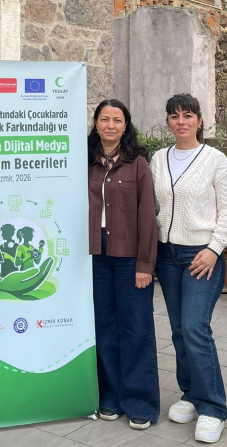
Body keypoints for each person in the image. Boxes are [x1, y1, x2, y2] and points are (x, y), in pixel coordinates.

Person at [150, 94, 227, 444]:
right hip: (166, 254)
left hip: (201, 255)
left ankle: (213, 407)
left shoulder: (215, 160)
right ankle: (190, 393)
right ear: (168, 122)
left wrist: (215, 249)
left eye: (188, 115)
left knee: (195, 327)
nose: (181, 121)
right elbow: (153, 206)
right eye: (174, 116)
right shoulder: (158, 158)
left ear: (200, 120)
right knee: (178, 329)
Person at [88, 99, 159, 430]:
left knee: (136, 327)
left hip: (130, 256)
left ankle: (140, 401)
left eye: (117, 120)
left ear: (126, 126)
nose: (110, 125)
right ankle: (110, 396)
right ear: (96, 124)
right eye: (105, 119)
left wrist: (145, 264)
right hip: (95, 255)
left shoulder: (138, 164)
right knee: (103, 326)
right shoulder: (85, 162)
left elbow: (148, 217)